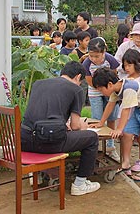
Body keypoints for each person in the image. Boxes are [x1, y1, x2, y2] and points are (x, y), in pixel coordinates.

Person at [20, 61, 100, 196]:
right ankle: (80, 184)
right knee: (92, 138)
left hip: (24, 141)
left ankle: (36, 174)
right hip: (49, 143)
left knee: (48, 132)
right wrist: (83, 126)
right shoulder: (76, 90)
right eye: (80, 82)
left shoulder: (38, 84)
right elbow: (75, 126)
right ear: (78, 76)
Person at [91, 67, 140, 181]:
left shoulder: (128, 89)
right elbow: (110, 105)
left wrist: (118, 129)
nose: (100, 92)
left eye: (100, 89)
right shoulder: (117, 87)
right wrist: (101, 122)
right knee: (127, 133)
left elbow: (126, 109)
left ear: (109, 84)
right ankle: (125, 163)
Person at [82, 37, 120, 161]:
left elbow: (113, 76)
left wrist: (107, 91)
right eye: (91, 56)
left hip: (110, 91)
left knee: (111, 117)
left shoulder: (110, 60)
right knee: (97, 119)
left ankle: (110, 146)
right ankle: (96, 146)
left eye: (97, 56)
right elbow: (89, 80)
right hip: (94, 91)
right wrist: (100, 88)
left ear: (103, 52)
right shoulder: (87, 63)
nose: (93, 59)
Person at [119, 49, 140, 175]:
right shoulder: (124, 80)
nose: (126, 68)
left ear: (137, 64)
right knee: (126, 136)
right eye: (125, 65)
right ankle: (125, 161)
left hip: (139, 113)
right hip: (126, 112)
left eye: (129, 65)